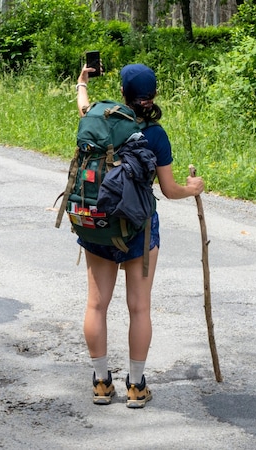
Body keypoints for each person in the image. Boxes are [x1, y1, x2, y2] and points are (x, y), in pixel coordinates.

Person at [74, 63, 204, 408]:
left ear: (122, 93)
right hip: (138, 228)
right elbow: (170, 190)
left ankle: (102, 383)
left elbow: (84, 106)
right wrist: (194, 188)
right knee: (139, 308)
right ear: (154, 95)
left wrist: (81, 83)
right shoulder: (155, 134)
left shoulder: (100, 120)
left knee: (96, 304)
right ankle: (135, 386)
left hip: (99, 224)